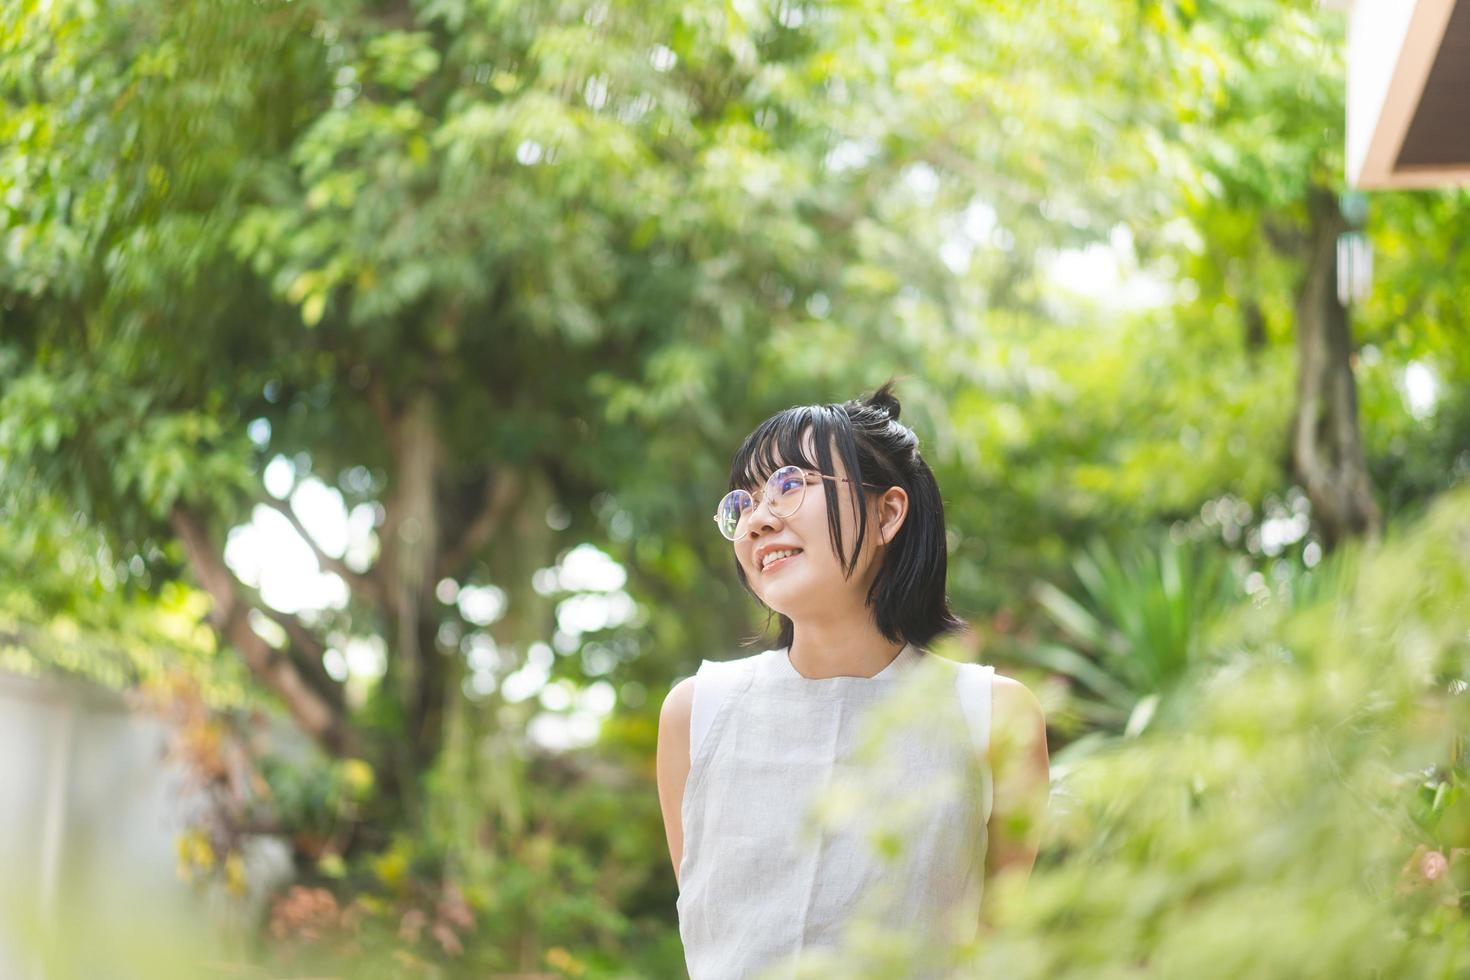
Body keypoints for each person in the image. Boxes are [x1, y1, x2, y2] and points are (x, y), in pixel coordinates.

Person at [655, 379, 1050, 979]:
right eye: (744, 503)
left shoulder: (990, 715)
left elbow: (996, 943)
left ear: (887, 512)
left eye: (789, 486)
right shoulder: (698, 713)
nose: (758, 521)